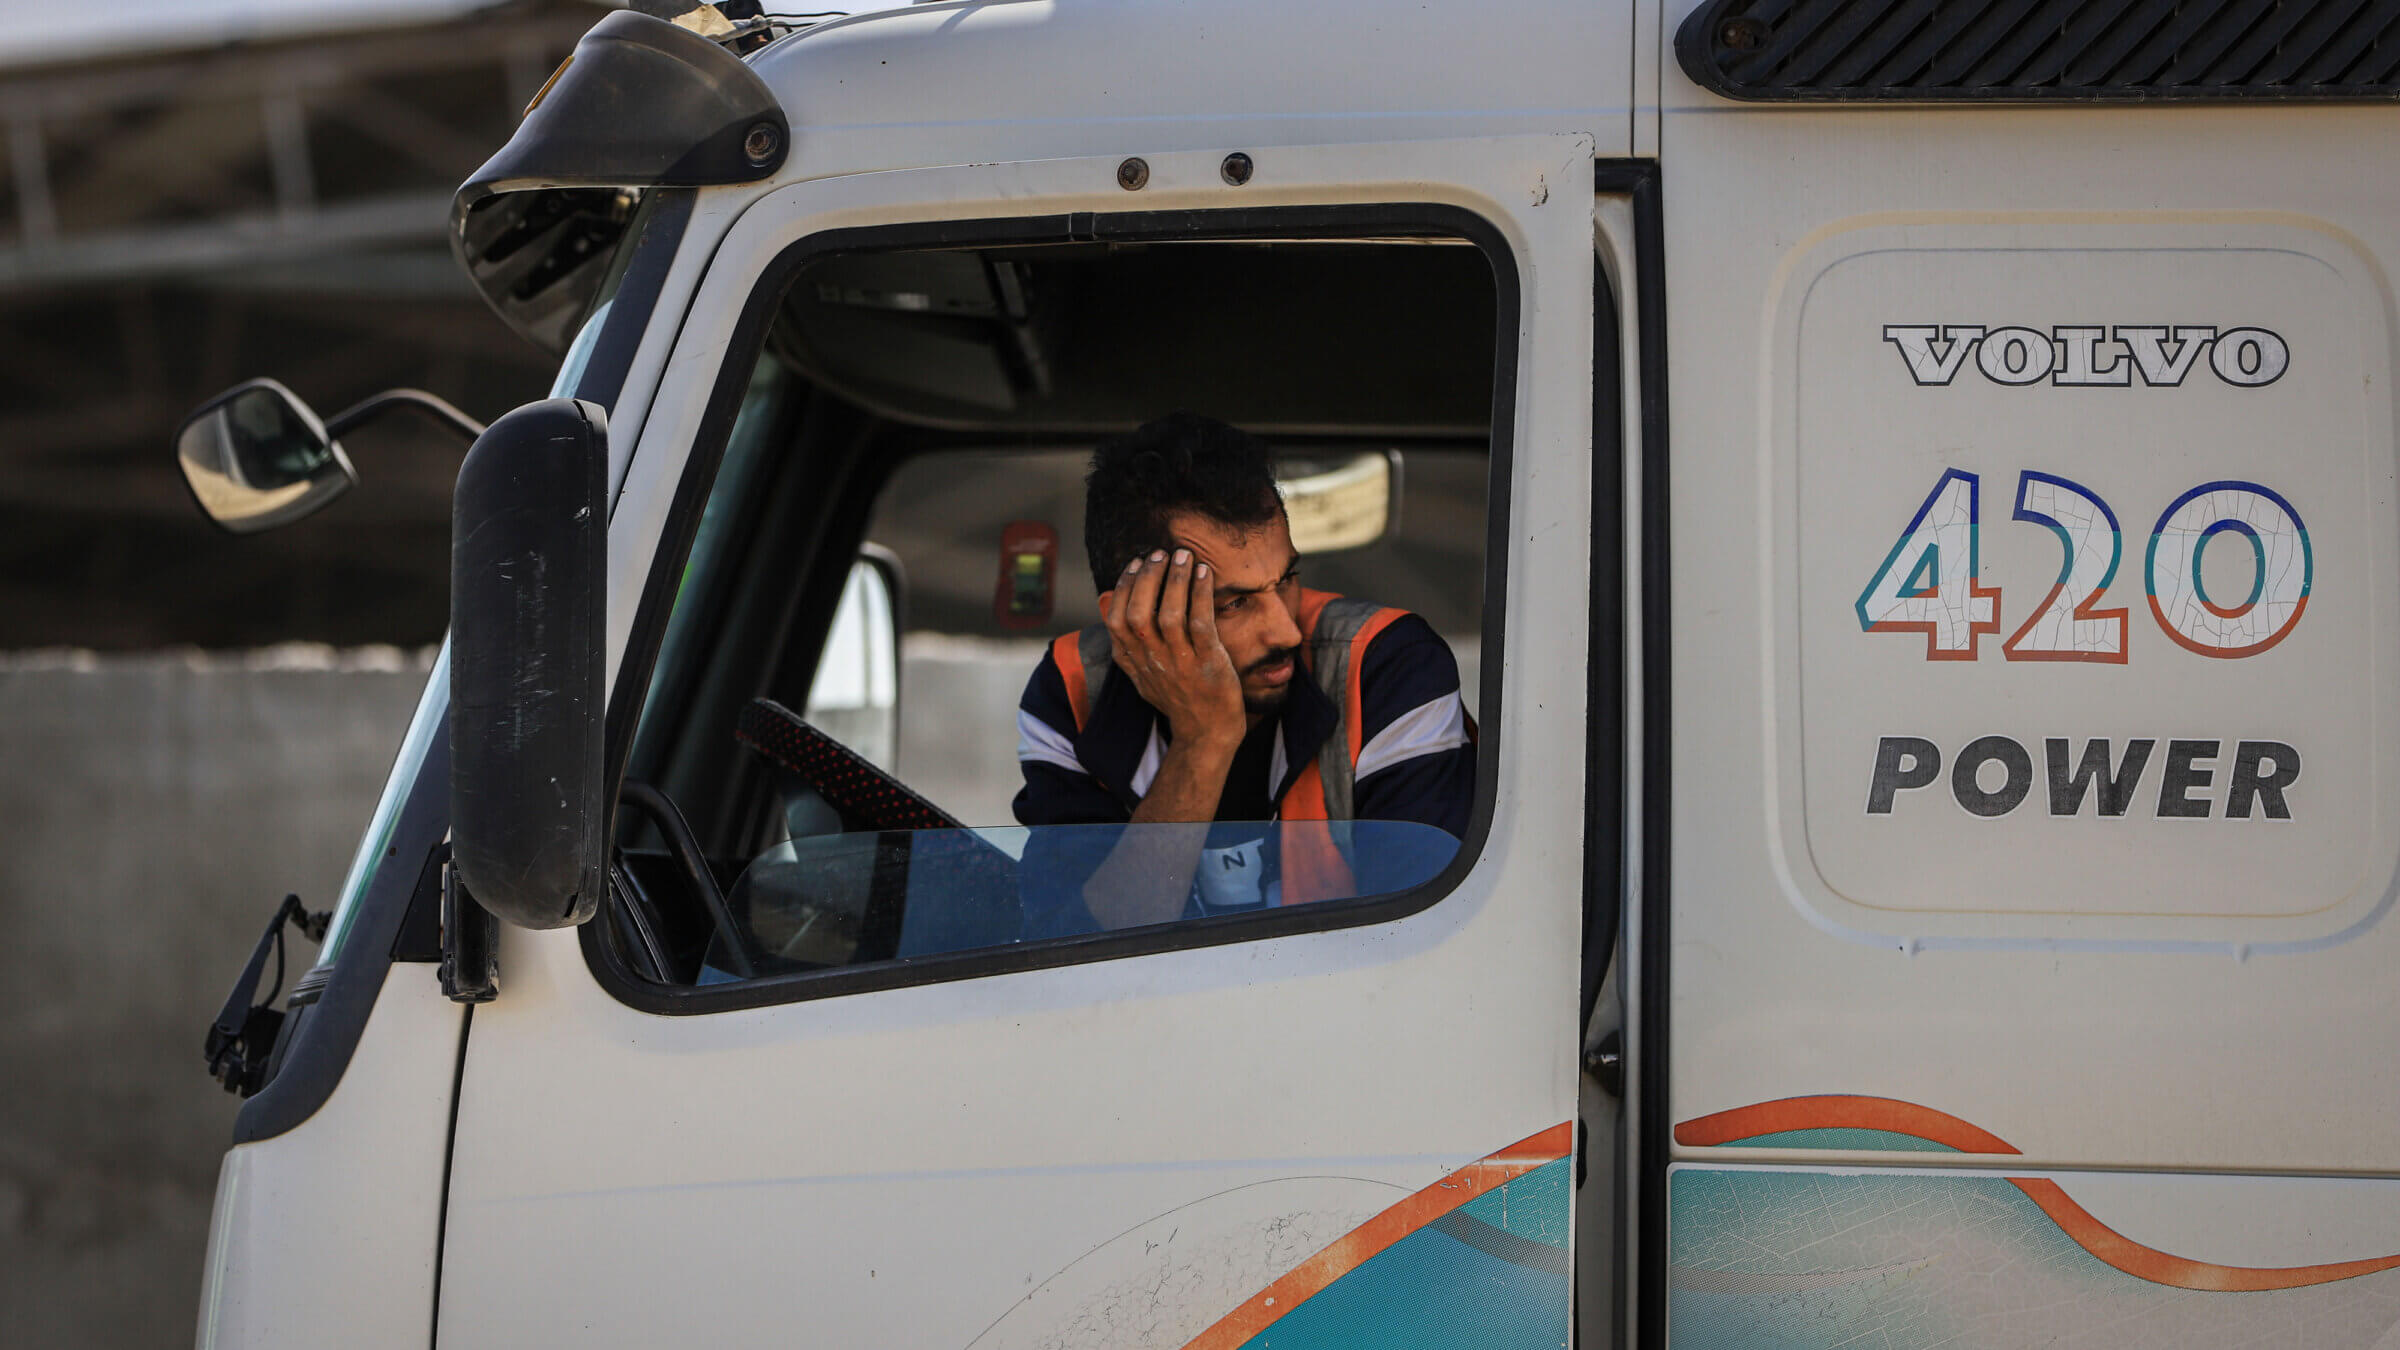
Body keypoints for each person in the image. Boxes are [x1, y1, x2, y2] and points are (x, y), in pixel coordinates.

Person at [1013, 413, 1474, 934]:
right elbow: (1069, 957)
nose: (1284, 631)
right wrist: (1206, 738)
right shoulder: (1072, 689)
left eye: (1287, 579)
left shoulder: (1387, 665)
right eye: (1234, 603)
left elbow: (1426, 944)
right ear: (1134, 616)